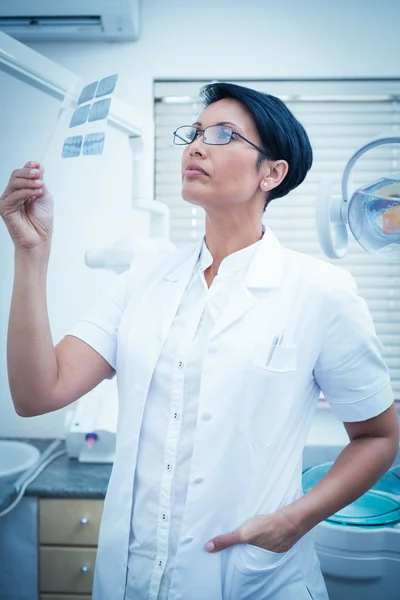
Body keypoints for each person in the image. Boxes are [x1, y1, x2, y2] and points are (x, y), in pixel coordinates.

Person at [1, 82, 399, 600]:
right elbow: (37, 394)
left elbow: (378, 436)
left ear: (271, 173)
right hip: (131, 579)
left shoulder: (320, 292)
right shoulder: (143, 279)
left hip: (252, 579)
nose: (195, 145)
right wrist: (31, 253)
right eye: (193, 133)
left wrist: (295, 521)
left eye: (222, 135)